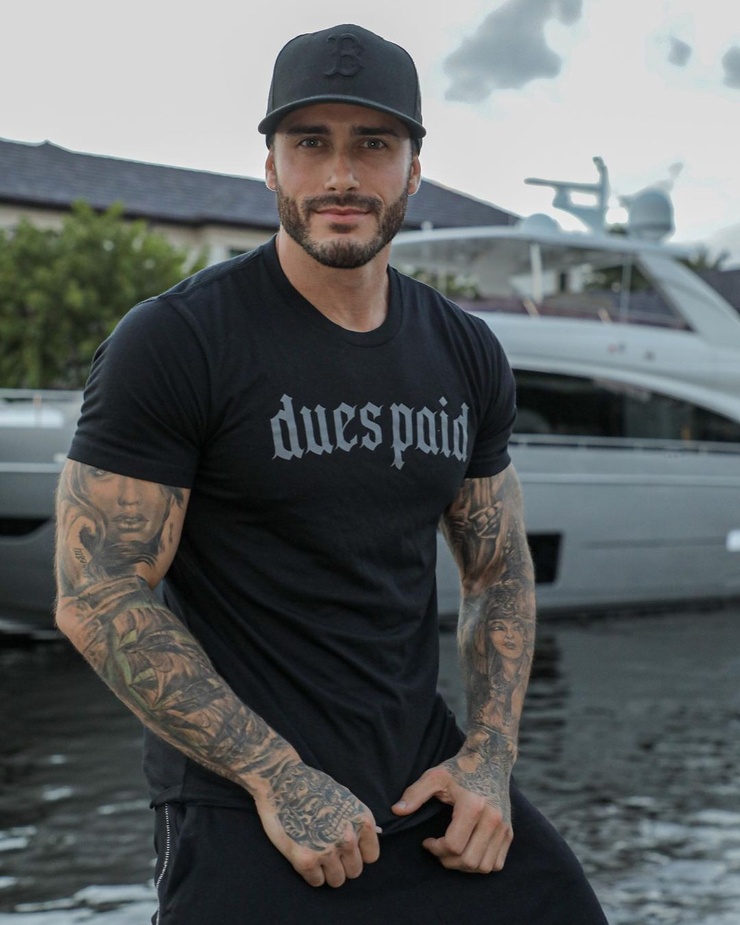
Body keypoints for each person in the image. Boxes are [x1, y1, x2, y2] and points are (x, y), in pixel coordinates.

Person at [54, 23, 608, 925]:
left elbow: (498, 567)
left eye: (373, 144)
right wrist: (277, 775)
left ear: (414, 169)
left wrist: (489, 757)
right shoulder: (178, 340)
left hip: (423, 783)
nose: (342, 176)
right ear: (271, 165)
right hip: (244, 797)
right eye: (310, 142)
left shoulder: (465, 350)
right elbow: (99, 590)